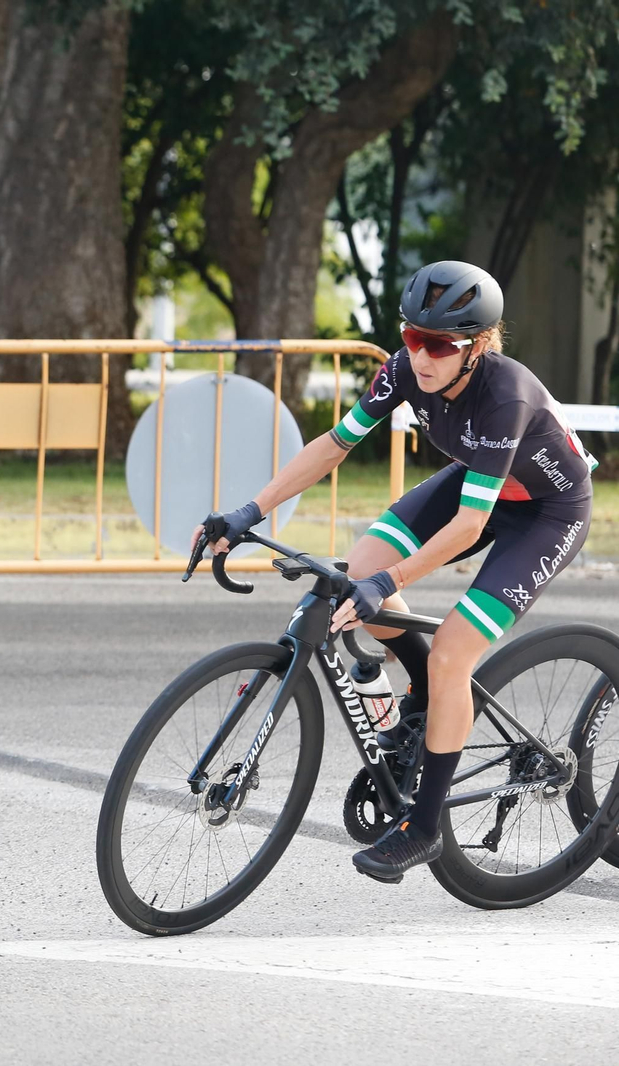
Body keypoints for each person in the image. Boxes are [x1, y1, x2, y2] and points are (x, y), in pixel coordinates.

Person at [199, 260, 596, 883]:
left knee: (450, 654)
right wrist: (247, 511)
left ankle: (425, 826)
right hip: (479, 484)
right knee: (356, 571)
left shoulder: (504, 397)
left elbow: (468, 528)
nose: (421, 356)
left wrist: (390, 583)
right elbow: (335, 444)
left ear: (477, 348)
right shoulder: (402, 372)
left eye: (439, 345)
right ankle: (422, 696)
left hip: (548, 511)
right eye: (411, 337)